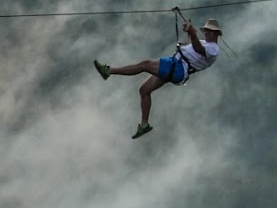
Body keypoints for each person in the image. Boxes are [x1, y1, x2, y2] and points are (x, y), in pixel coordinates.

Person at [94, 18, 223, 138]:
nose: (206, 33)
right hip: (175, 63)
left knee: (144, 65)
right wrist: (190, 33)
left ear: (216, 34)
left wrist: (193, 33)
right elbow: (195, 47)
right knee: (144, 90)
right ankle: (144, 125)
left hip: (178, 68)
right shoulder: (205, 43)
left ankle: (109, 71)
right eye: (206, 30)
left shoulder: (213, 50)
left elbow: (198, 49)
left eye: (210, 31)